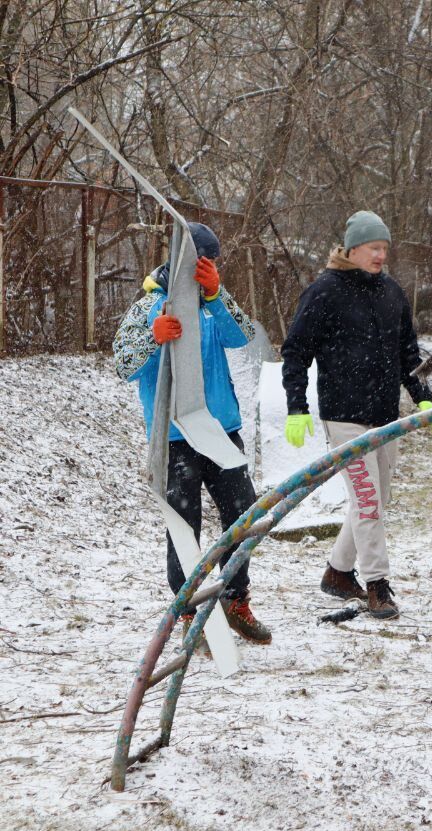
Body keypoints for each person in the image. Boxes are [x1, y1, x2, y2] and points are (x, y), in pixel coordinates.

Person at [112, 222, 271, 644]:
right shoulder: (150, 304)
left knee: (244, 516)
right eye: (203, 261)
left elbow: (242, 336)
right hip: (174, 436)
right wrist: (152, 339)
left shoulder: (212, 299)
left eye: (214, 263)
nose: (209, 268)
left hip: (221, 431)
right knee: (184, 526)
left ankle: (237, 601)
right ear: (181, 261)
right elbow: (124, 363)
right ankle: (189, 612)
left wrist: (218, 294)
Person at [280, 211, 432, 620]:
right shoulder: (324, 292)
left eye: (385, 248)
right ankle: (377, 585)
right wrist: (296, 407)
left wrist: (422, 397)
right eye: (374, 247)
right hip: (344, 416)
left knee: (377, 500)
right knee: (368, 504)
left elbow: (408, 353)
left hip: (386, 416)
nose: (381, 255)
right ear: (352, 249)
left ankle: (337, 572)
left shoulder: (391, 293)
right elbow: (295, 351)